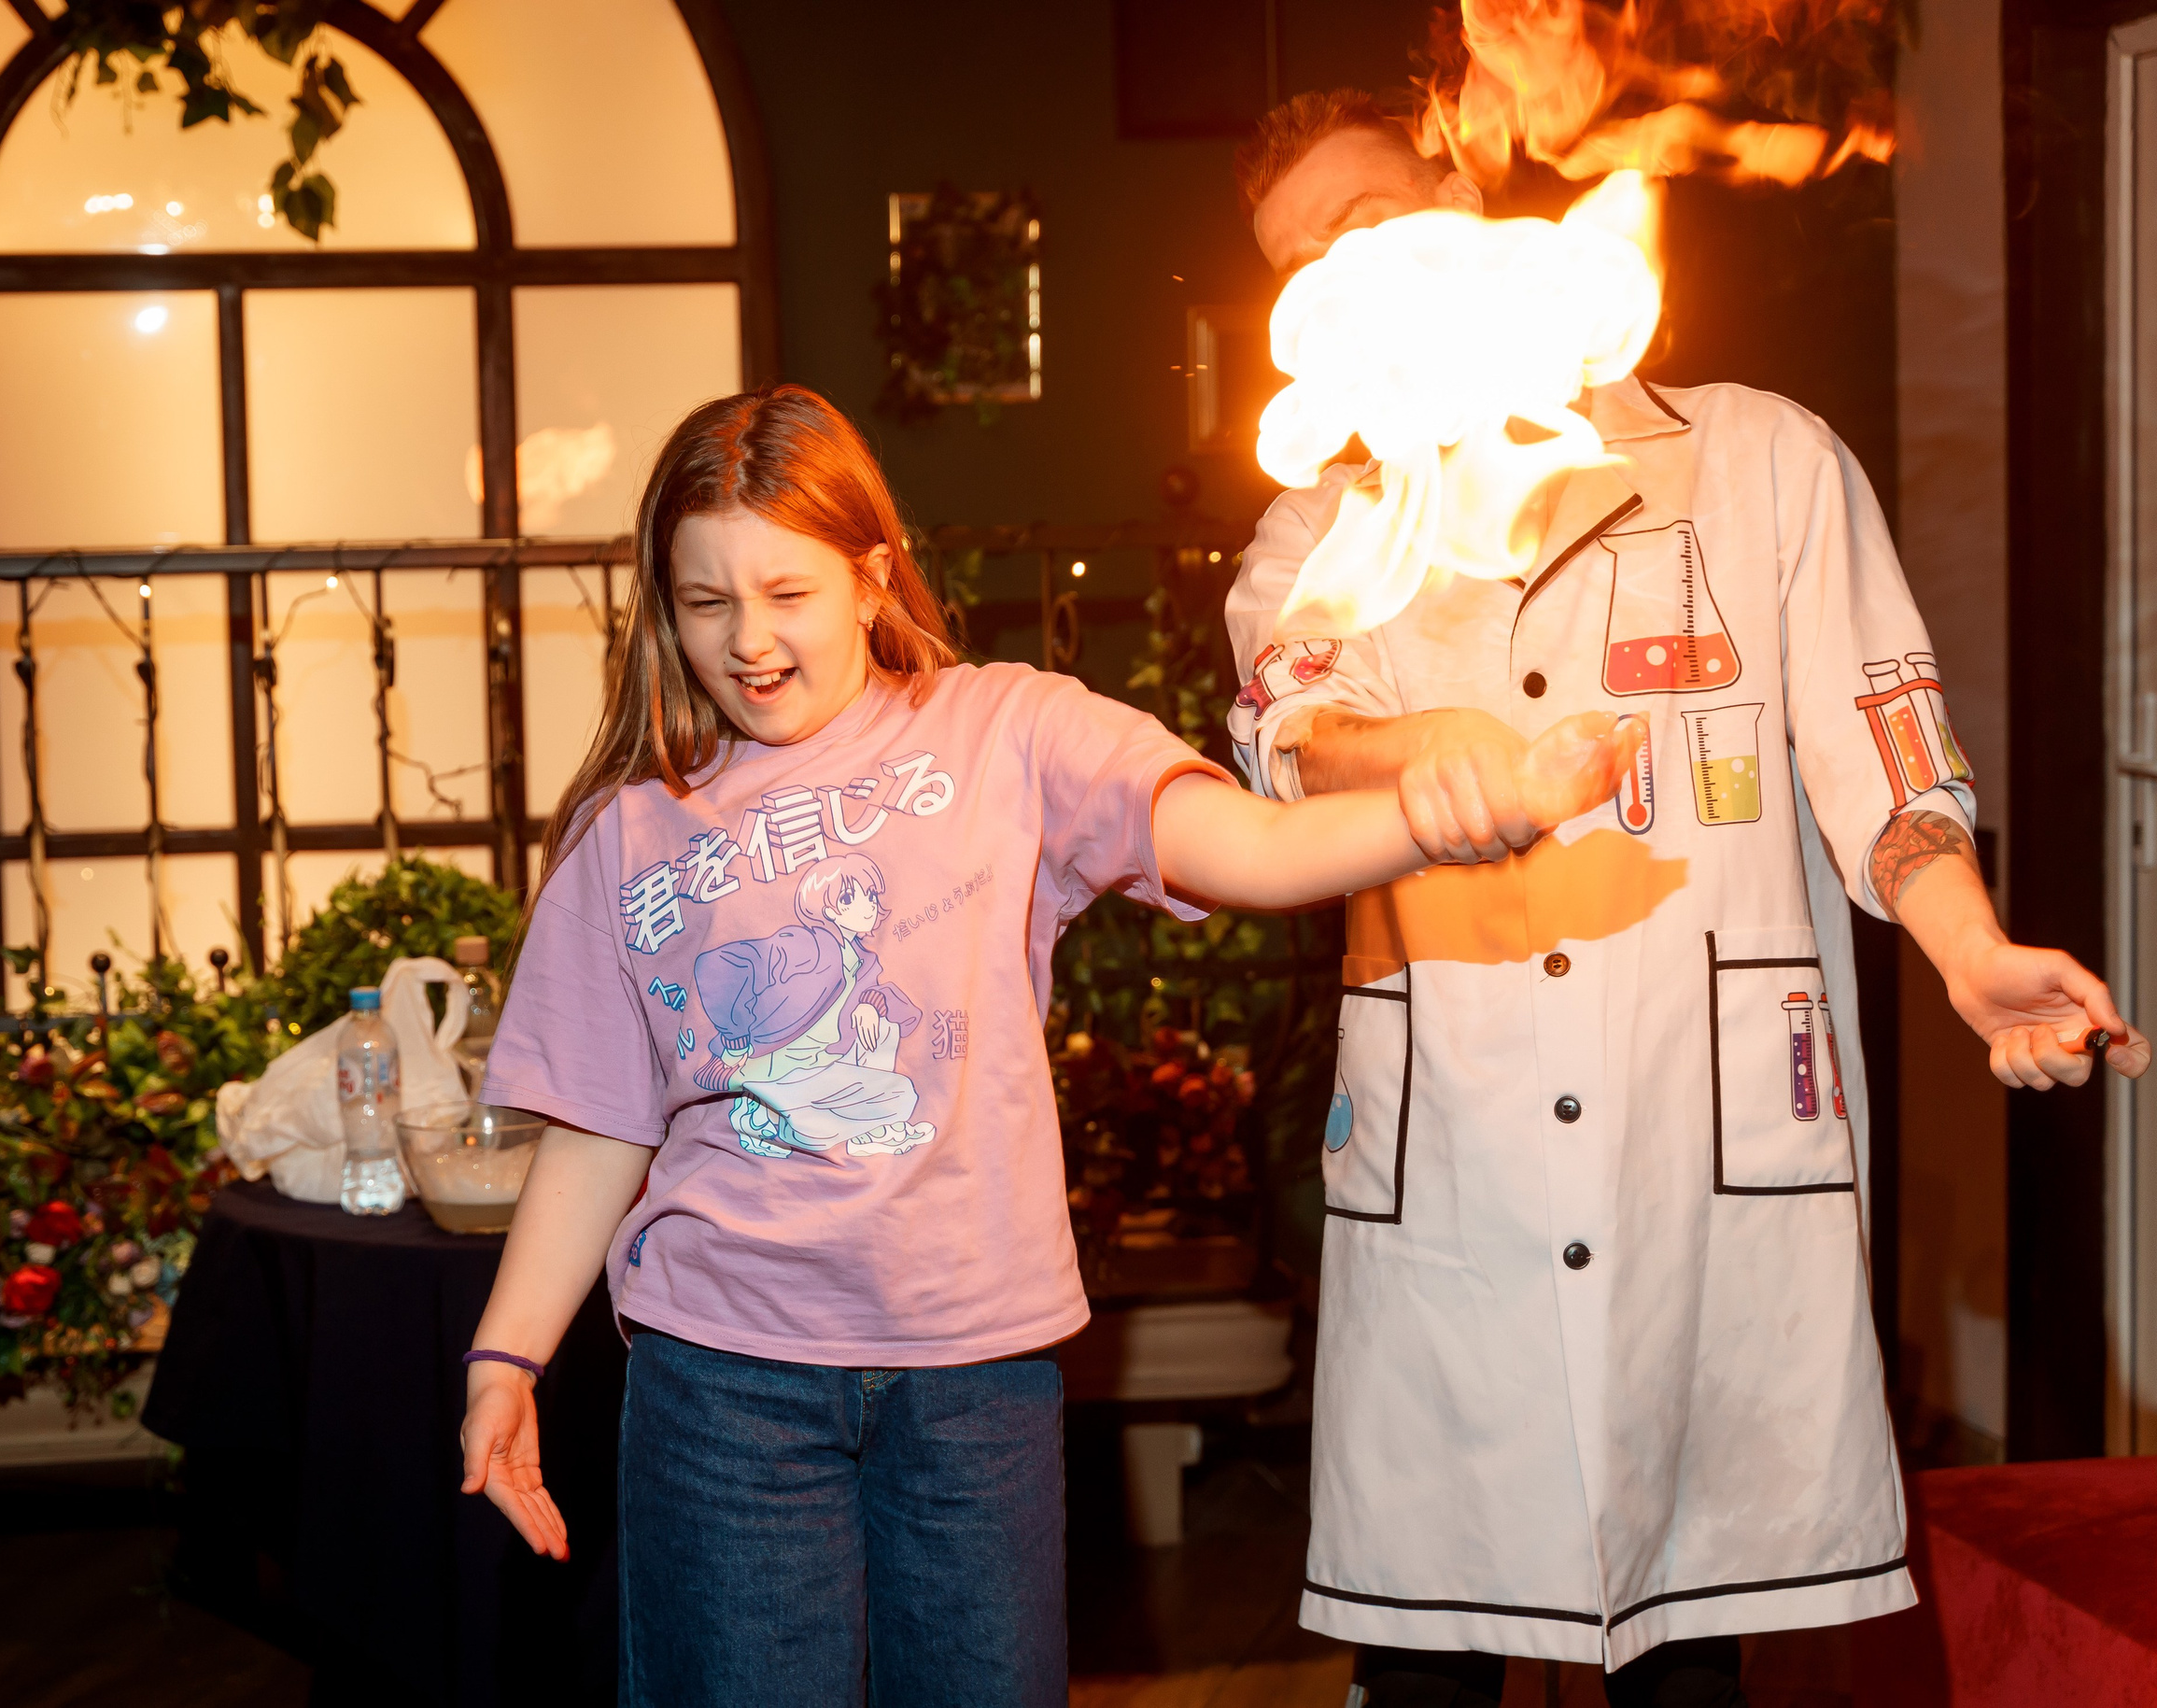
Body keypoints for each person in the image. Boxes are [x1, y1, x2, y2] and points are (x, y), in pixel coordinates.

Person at [455, 383, 1641, 1707]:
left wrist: (1438, 817)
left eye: (788, 592)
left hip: (975, 1385)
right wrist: (506, 1359)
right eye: (705, 601)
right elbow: (598, 1131)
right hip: (723, 1386)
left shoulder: (1006, 729)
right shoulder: (630, 835)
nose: (750, 640)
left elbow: (1247, 847)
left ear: (871, 575)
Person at [1226, 90, 2153, 1708]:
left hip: (1698, 1158)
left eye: (1364, 223)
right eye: (1303, 264)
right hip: (1455, 1180)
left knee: (1687, 1651)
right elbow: (1296, 734)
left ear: (1460, 184)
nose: (1343, 279)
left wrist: (1970, 948)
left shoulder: (1762, 462)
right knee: (1426, 1661)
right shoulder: (1322, 527)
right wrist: (1426, 755)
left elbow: (1884, 758)